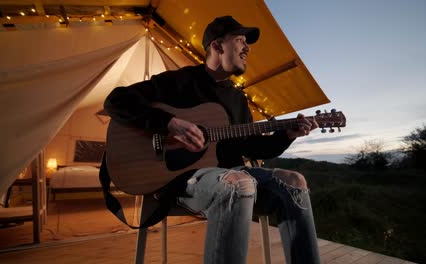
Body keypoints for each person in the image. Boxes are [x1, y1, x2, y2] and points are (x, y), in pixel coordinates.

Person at [104, 15, 320, 264]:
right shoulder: (179, 81)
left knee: (294, 181)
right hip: (181, 180)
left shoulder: (238, 99)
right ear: (217, 46)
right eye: (240, 40)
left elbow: (252, 145)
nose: (247, 47)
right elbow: (116, 101)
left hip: (234, 174)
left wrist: (287, 135)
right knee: (239, 184)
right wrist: (169, 124)